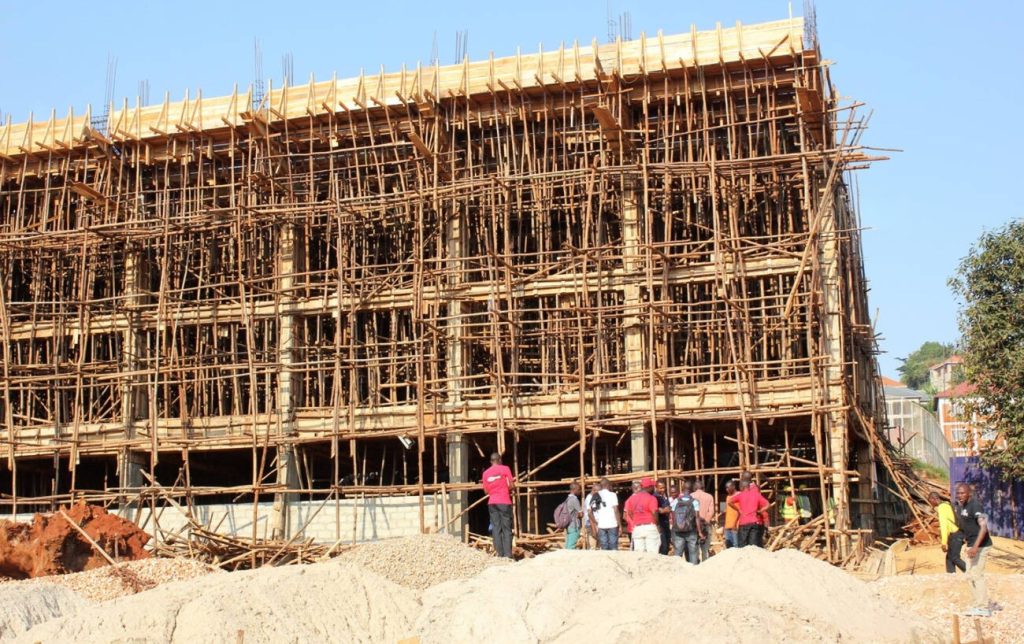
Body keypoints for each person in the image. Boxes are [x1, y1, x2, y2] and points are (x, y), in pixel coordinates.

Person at [955, 483, 993, 616]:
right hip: (971, 545)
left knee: (977, 575)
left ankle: (983, 607)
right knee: (969, 575)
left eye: (962, 493)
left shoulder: (975, 505)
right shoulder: (962, 506)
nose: (960, 496)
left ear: (969, 493)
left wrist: (975, 547)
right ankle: (977, 605)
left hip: (981, 546)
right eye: (958, 493)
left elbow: (983, 528)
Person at [481, 452, 515, 558]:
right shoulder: (505, 469)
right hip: (504, 501)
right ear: (499, 460)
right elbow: (512, 485)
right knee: (507, 528)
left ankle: (500, 555)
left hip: (492, 503)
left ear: (491, 461)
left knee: (496, 528)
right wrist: (505, 489)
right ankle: (508, 555)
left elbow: (486, 491)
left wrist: (494, 490)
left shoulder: (485, 473)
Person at [928, 491, 965, 573]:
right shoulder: (947, 504)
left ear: (933, 499)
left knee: (955, 557)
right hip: (956, 534)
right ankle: (951, 577)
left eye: (930, 501)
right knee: (949, 558)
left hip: (956, 535)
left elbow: (944, 526)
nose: (931, 504)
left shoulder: (942, 508)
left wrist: (943, 542)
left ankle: (970, 572)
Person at [624, 477, 661, 553]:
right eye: (652, 486)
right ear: (649, 487)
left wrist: (637, 520)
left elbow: (630, 513)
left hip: (637, 528)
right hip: (650, 526)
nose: (653, 488)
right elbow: (654, 513)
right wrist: (658, 526)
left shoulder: (632, 499)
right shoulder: (652, 498)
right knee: (652, 552)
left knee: (639, 553)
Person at [729, 477, 768, 548]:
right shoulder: (756, 494)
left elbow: (730, 502)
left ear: (742, 487)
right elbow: (767, 504)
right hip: (754, 523)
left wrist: (738, 510)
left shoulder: (740, 495)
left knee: (742, 546)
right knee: (753, 546)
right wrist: (759, 511)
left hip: (743, 523)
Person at [670, 481, 702, 564]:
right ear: (692, 490)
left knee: (678, 554)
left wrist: (675, 530)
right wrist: (700, 532)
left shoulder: (676, 501)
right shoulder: (695, 502)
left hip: (678, 531)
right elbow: (697, 518)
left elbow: (673, 518)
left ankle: (677, 572)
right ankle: (693, 571)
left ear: (682, 489)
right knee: (693, 553)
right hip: (691, 531)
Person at [588, 477, 621, 550]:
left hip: (601, 525)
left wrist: (596, 522)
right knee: (613, 546)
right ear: (608, 485)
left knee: (603, 547)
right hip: (612, 523)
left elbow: (589, 512)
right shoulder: (612, 495)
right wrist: (620, 524)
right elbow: (615, 510)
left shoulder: (595, 495)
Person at [692, 480, 715, 562]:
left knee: (694, 549)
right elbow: (711, 511)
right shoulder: (709, 496)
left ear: (694, 488)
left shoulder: (691, 496)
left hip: (693, 525)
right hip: (706, 525)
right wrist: (705, 521)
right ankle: (705, 564)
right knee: (705, 549)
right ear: (703, 488)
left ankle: (695, 565)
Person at [562, 482, 584, 550]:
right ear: (575, 489)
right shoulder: (574, 499)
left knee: (568, 545)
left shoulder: (567, 499)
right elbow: (581, 513)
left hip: (568, 525)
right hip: (574, 526)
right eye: (579, 489)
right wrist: (581, 514)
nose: (580, 491)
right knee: (571, 547)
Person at [654, 481, 672, 555]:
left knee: (667, 544)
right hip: (660, 524)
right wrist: (663, 510)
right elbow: (655, 510)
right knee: (663, 546)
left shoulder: (664, 496)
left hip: (666, 523)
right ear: (656, 488)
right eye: (661, 488)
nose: (663, 489)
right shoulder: (655, 497)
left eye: (664, 488)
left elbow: (668, 507)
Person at [582, 482, 600, 549]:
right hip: (591, 524)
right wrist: (595, 524)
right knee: (592, 546)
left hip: (593, 523)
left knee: (596, 545)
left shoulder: (593, 497)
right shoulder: (590, 498)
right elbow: (590, 513)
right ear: (594, 490)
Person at [722, 480, 739, 548]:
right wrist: (722, 509)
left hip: (735, 526)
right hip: (727, 526)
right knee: (729, 547)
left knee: (736, 546)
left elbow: (740, 511)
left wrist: (735, 524)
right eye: (726, 488)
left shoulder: (739, 495)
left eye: (728, 487)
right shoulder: (728, 497)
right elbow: (724, 510)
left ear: (734, 486)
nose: (726, 489)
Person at [625, 480, 641, 548]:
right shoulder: (632, 500)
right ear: (636, 488)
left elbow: (624, 516)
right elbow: (628, 514)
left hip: (632, 528)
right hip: (635, 528)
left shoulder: (628, 500)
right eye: (641, 487)